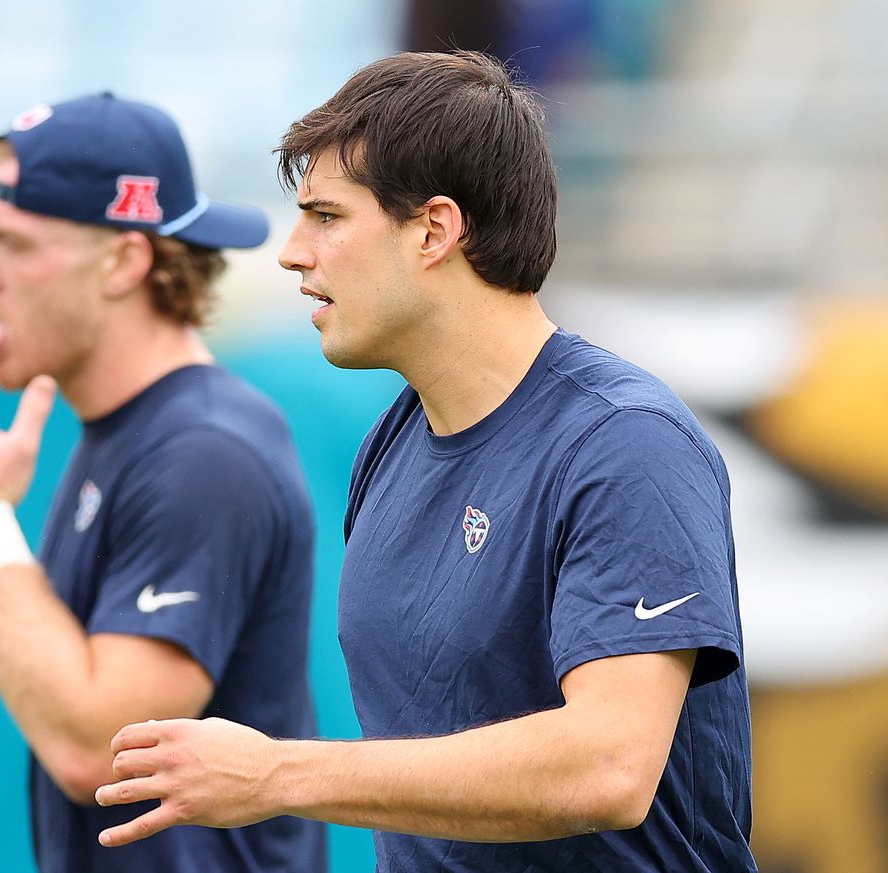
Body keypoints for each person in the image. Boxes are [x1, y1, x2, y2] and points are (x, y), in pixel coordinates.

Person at [95, 51, 757, 872]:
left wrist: (278, 771)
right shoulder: (392, 443)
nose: (293, 252)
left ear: (435, 231)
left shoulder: (629, 445)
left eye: (327, 217)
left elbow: (609, 766)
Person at [0, 92, 327, 873]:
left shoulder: (204, 454)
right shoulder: (131, 431)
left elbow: (97, 749)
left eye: (12, 242)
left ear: (125, 260)